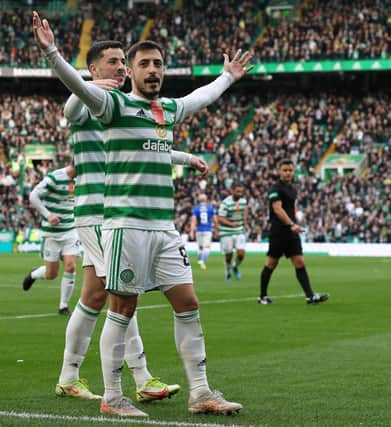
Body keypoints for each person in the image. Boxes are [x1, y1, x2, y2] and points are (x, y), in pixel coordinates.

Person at [34, 11, 251, 417]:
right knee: (121, 307)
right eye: (144, 64)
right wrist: (50, 52)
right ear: (131, 72)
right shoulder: (112, 104)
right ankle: (113, 397)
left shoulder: (167, 110)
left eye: (158, 64)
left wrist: (229, 77)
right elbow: (74, 89)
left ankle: (201, 392)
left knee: (188, 303)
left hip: (164, 229)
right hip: (124, 226)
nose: (152, 70)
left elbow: (200, 97)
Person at [56, 40, 205, 403]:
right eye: (114, 62)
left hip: (109, 212)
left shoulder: (123, 108)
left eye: (124, 62)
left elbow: (150, 146)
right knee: (123, 293)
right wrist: (86, 85)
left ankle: (69, 375)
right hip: (99, 211)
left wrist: (185, 159)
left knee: (94, 296)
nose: (122, 68)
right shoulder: (89, 105)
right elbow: (69, 106)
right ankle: (140, 377)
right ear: (94, 69)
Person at [259, 159, 329, 305]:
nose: (288, 173)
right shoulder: (275, 188)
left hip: (291, 231)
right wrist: (291, 223)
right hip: (279, 231)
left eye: (290, 170)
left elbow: (290, 209)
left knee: (299, 261)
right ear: (279, 171)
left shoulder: (292, 188)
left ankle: (310, 296)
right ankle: (262, 296)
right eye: (285, 170)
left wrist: (295, 223)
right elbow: (277, 209)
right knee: (271, 263)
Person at [22, 165, 79, 316]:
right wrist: (48, 215)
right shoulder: (55, 177)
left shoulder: (81, 179)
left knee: (71, 266)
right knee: (51, 274)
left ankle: (63, 306)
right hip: (52, 233)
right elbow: (33, 196)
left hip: (71, 231)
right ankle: (34, 274)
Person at [217, 182, 248, 281]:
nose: (240, 193)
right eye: (238, 191)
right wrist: (231, 224)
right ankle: (228, 273)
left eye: (241, 192)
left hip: (239, 230)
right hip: (226, 232)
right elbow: (220, 218)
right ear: (232, 191)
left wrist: (245, 223)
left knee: (241, 254)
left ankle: (235, 266)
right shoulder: (225, 203)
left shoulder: (243, 201)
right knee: (229, 255)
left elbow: (245, 211)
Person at [189, 193, 218, 270]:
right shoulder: (210, 208)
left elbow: (193, 221)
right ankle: (202, 260)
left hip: (199, 230)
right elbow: (215, 220)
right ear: (206, 199)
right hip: (208, 230)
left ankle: (200, 260)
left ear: (199, 200)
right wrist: (216, 230)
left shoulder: (196, 209)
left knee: (200, 247)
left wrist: (191, 231)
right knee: (207, 247)